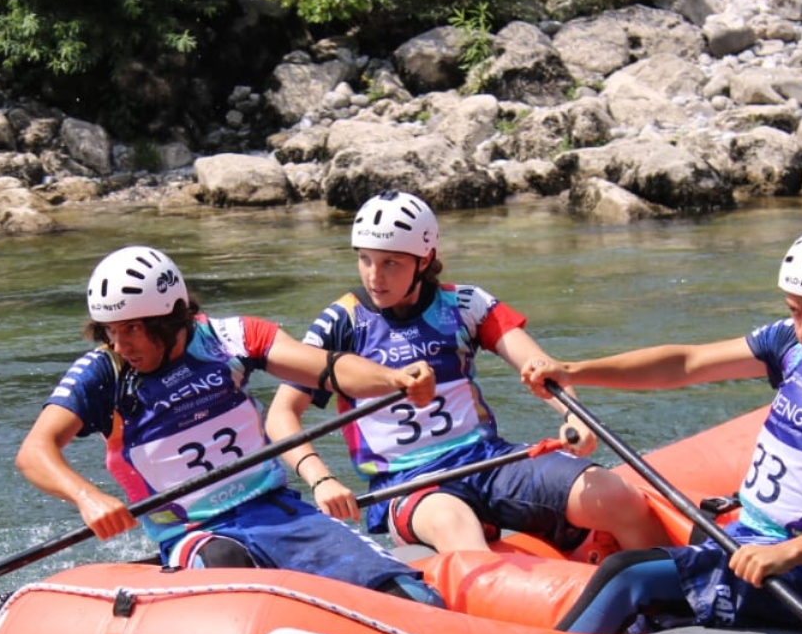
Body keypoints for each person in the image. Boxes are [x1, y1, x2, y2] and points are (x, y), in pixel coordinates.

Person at [518, 228, 802, 634]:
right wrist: (573, 371)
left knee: (627, 574)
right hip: (743, 540)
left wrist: (787, 553)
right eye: (796, 310)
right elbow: (686, 364)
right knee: (641, 625)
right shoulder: (789, 344)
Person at [16, 245, 445, 605]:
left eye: (132, 329)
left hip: (276, 512)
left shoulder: (229, 339)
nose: (120, 343)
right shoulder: (103, 373)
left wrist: (393, 379)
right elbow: (35, 451)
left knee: (407, 596)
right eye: (110, 330)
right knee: (227, 567)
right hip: (196, 533)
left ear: (171, 319)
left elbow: (327, 368)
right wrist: (87, 497)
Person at [265, 190, 664, 559]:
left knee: (618, 497)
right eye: (365, 259)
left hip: (486, 460)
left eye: (390, 263)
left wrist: (574, 416)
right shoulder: (341, 323)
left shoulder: (466, 304)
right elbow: (282, 414)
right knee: (456, 525)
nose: (374, 276)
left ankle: (673, 594)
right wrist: (320, 479)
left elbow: (541, 367)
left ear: (424, 260)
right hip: (406, 483)